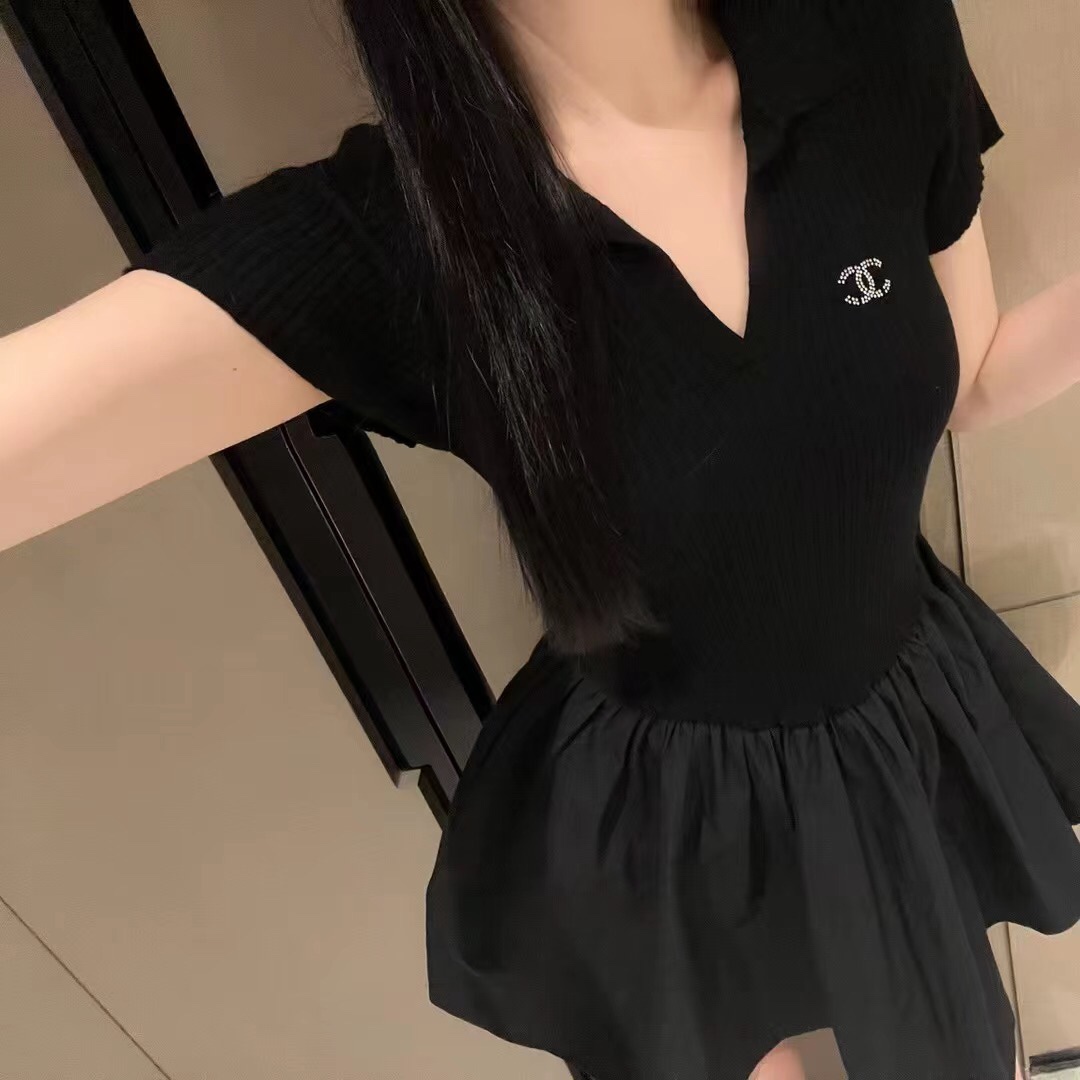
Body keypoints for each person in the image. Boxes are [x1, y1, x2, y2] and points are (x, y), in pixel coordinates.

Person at [2, 0, 1078, 1077]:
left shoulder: (875, 36)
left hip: (896, 724)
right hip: (660, 807)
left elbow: (971, 377)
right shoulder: (399, 236)